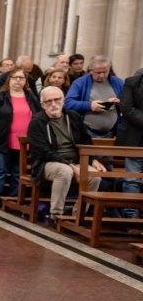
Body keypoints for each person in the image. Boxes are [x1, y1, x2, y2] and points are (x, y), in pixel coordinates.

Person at [29, 86, 104, 222]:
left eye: (57, 99)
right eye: (49, 101)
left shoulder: (73, 116)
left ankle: (78, 214)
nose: (53, 104)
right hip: (47, 163)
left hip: (75, 161)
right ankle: (56, 215)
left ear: (63, 100)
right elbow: (43, 152)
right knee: (64, 172)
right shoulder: (37, 122)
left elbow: (86, 140)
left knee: (95, 176)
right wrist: (71, 166)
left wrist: (93, 160)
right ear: (42, 105)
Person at [0, 67, 41, 207]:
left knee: (18, 171)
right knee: (1, 169)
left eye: (21, 78)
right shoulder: (0, 96)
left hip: (24, 141)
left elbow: (39, 116)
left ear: (25, 81)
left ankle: (14, 197)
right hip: (4, 139)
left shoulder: (31, 97)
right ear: (9, 80)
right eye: (15, 77)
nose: (18, 80)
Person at [63, 55, 123, 138]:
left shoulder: (118, 82)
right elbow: (68, 103)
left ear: (109, 69)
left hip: (112, 132)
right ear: (91, 70)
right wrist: (89, 105)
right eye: (98, 72)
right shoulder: (80, 83)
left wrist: (119, 101)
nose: (102, 76)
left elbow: (129, 103)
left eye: (105, 72)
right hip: (87, 132)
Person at [115, 68, 143, 218]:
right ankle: (130, 215)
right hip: (136, 138)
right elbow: (126, 108)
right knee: (132, 179)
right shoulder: (132, 82)